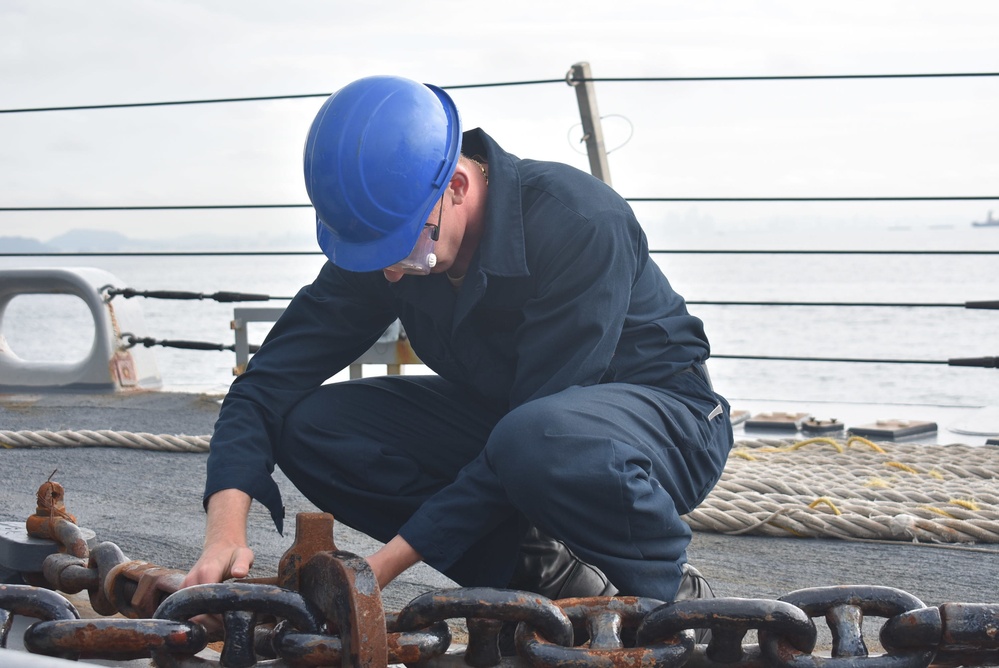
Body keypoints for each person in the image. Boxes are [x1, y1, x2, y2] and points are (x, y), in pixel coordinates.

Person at [182, 75, 733, 603]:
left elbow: (538, 427)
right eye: (375, 259)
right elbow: (267, 385)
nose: (391, 275)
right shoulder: (391, 235)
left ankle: (673, 594)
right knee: (310, 426)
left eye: (403, 251)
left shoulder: (579, 221)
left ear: (458, 187)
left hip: (660, 429)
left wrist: (379, 571)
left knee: (535, 437)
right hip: (518, 431)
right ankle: (548, 574)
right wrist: (224, 533)